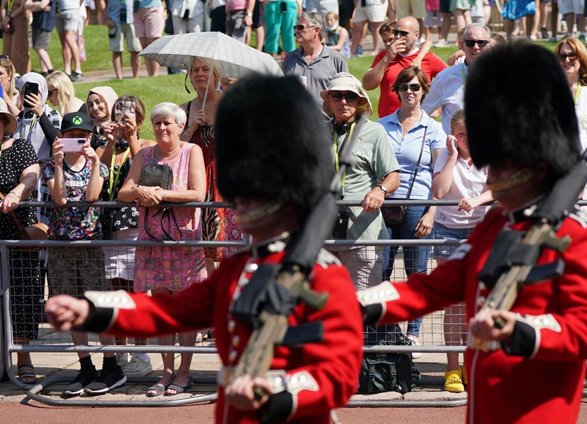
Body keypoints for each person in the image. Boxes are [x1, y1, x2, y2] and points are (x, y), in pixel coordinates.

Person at [45, 75, 363, 423]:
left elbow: (339, 372)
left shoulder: (322, 276)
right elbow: (168, 311)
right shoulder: (236, 271)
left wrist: (281, 390)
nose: (242, 208)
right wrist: (94, 309)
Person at [359, 42, 587, 423]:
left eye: (501, 165)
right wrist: (357, 304)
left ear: (534, 166)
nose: (490, 174)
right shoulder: (495, 226)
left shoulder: (582, 238)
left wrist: (520, 329)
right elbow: (429, 288)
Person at [117, 102, 206, 396]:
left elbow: (198, 192)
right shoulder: (143, 154)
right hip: (152, 240)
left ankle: (184, 372)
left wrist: (162, 194)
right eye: (157, 123)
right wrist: (141, 191)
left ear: (180, 126)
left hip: (184, 242)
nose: (162, 128)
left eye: (167, 123)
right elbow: (124, 192)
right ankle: (166, 371)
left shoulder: (192, 151)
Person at [43, 111, 125, 396]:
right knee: (71, 307)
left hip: (89, 245)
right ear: (60, 138)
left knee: (97, 307)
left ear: (90, 137)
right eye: (69, 137)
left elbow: (92, 197)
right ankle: (85, 366)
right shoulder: (49, 167)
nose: (76, 141)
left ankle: (111, 365)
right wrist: (56, 163)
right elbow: (60, 199)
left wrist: (92, 162)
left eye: (82, 136)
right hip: (61, 246)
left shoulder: (98, 166)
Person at [378, 66, 445, 354]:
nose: (409, 92)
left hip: (418, 204)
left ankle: (414, 333)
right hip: (386, 205)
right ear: (397, 91)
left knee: (416, 273)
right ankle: (382, 329)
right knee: (382, 270)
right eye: (405, 87)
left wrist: (432, 212)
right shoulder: (381, 125)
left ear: (424, 91)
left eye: (415, 88)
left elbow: (440, 174)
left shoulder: (434, 129)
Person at [431, 109, 492, 393]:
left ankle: (472, 362)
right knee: (454, 303)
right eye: (460, 134)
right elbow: (440, 191)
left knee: (477, 301)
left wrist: (476, 200)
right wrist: (453, 157)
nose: (466, 139)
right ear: (453, 135)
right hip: (448, 232)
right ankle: (452, 367)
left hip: (480, 231)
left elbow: (498, 188)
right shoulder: (446, 155)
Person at [322, 72, 400, 290]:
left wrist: (380, 190)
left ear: (360, 101)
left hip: (362, 234)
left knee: (362, 306)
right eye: (337, 96)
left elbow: (394, 175)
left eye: (350, 96)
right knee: (326, 305)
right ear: (328, 100)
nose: (343, 102)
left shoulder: (375, 132)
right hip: (323, 235)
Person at [95, 95, 156, 376]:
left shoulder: (145, 146)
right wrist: (109, 141)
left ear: (139, 119)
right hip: (109, 227)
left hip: (135, 227)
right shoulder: (106, 145)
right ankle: (120, 353)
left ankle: (142, 355)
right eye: (118, 113)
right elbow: (98, 173)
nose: (122, 118)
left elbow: (144, 173)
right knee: (114, 292)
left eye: (129, 114)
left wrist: (131, 137)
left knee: (137, 292)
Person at [180, 57, 243, 270]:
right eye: (195, 69)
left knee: (225, 240)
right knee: (200, 241)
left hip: (225, 179)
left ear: (216, 74)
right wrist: (190, 128)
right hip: (195, 179)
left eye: (205, 69)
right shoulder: (185, 109)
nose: (199, 74)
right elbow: (172, 149)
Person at [0, 98, 41, 385]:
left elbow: (32, 174)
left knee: (22, 297)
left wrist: (18, 191)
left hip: (16, 233)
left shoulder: (20, 148)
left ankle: (24, 358)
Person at [556, 37, 587, 216]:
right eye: (562, 56)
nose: (567, 60)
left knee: (582, 220)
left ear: (582, 58)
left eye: (572, 55)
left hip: (585, 163)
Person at [362, 16, 446, 118]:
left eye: (403, 33)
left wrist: (437, 109)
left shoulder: (428, 58)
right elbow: (367, 85)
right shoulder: (384, 56)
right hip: (387, 123)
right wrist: (387, 58)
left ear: (416, 35)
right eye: (396, 32)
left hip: (417, 124)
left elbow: (453, 82)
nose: (398, 37)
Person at [422, 23, 492, 134]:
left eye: (481, 42)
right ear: (462, 46)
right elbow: (422, 113)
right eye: (470, 43)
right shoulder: (445, 78)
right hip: (456, 149)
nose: (476, 47)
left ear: (489, 45)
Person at [282, 12, 349, 102]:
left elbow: (347, 92)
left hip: (324, 116)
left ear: (317, 30)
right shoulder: (290, 58)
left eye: (301, 27)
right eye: (295, 27)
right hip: (295, 115)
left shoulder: (336, 59)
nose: (296, 31)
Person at [105, 0, 141, 80]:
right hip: (114, 20)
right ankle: (119, 78)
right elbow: (102, 3)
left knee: (136, 50)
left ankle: (136, 77)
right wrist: (106, 19)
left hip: (132, 21)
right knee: (117, 50)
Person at [133, 0, 165, 76]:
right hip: (136, 10)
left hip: (153, 8)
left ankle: (155, 74)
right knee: (144, 45)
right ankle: (150, 74)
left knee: (153, 43)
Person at [55, 0, 84, 80]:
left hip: (72, 10)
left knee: (69, 38)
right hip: (58, 10)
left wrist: (76, 6)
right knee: (64, 42)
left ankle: (78, 70)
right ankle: (67, 71)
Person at [25, 0, 55, 76]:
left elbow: (42, 5)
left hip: (44, 23)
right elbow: (26, 5)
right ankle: (44, 72)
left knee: (39, 47)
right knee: (41, 48)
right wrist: (37, 5)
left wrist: (33, 7)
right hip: (36, 23)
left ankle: (51, 71)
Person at [1, 0, 31, 74]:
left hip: (19, 21)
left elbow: (22, 7)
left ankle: (21, 73)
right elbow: (3, 6)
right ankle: (7, 72)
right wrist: (4, 20)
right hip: (8, 23)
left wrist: (9, 17)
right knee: (7, 49)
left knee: (19, 49)